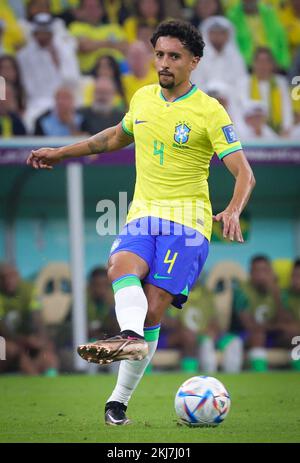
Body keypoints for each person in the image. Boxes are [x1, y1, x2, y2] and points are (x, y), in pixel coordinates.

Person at [26, 19, 255, 425]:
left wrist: (233, 209)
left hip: (188, 224)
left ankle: (119, 397)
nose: (163, 63)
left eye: (174, 56)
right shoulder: (144, 98)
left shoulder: (210, 110)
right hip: (143, 214)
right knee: (119, 266)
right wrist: (61, 152)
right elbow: (112, 137)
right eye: (159, 55)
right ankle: (128, 342)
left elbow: (244, 173)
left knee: (150, 314)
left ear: (194, 62)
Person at [0, 263, 59, 375]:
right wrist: (24, 340)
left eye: (11, 276)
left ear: (18, 276)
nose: (8, 280)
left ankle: (50, 377)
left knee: (47, 350)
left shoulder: (28, 289)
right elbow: (2, 327)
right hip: (6, 340)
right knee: (12, 349)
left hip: (24, 338)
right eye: (3, 277)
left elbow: (37, 317)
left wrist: (41, 338)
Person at [231, 255, 283, 371]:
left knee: (294, 335)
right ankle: (260, 373)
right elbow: (250, 326)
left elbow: (284, 321)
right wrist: (275, 326)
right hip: (244, 335)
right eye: (257, 271)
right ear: (250, 273)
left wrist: (276, 295)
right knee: (258, 335)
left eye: (264, 270)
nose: (261, 275)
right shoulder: (242, 291)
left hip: (270, 333)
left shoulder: (277, 291)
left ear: (271, 273)